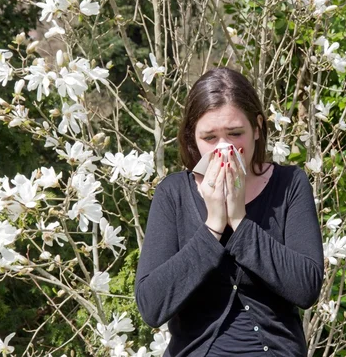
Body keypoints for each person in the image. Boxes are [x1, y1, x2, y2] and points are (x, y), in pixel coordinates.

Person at [135, 68, 324, 356]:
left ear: (257, 128)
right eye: (210, 138)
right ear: (192, 139)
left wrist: (238, 220)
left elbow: (306, 288)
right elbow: (151, 306)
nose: (224, 148)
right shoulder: (173, 193)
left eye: (235, 134)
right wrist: (213, 226)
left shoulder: (289, 185)